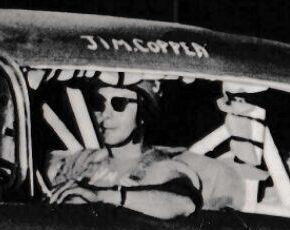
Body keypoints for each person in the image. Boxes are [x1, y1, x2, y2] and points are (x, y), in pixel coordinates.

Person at [45, 75, 244, 218]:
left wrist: (102, 196)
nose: (105, 115)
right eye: (98, 103)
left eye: (119, 103)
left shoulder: (161, 165)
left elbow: (182, 202)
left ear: (143, 112)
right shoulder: (82, 160)